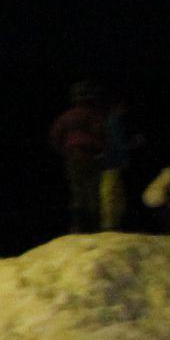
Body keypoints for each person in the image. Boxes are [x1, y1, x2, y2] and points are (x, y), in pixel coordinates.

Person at [50, 81, 118, 233]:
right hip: (91, 155)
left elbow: (55, 136)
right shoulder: (94, 115)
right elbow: (102, 134)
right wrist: (101, 149)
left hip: (73, 156)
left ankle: (78, 227)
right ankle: (94, 227)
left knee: (77, 192)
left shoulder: (66, 116)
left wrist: (65, 151)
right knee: (92, 191)